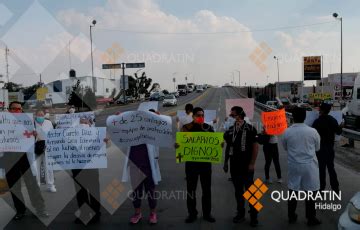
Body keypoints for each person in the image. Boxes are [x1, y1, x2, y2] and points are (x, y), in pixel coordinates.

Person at [3, 101, 49, 220]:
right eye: (14, 109)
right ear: (9, 110)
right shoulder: (2, 123)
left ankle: (41, 209)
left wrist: (35, 135)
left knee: (32, 185)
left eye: (19, 109)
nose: (17, 111)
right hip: (8, 158)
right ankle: (20, 210)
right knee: (14, 187)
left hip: (25, 158)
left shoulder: (28, 122)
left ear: (21, 110)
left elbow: (40, 139)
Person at [282, 106, 321, 226]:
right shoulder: (313, 131)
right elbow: (317, 148)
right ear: (305, 117)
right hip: (310, 167)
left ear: (292, 117)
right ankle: (311, 218)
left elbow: (285, 147)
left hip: (294, 165)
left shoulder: (287, 131)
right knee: (311, 193)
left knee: (293, 191)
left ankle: (291, 216)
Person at [177, 107, 216, 223]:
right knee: (191, 191)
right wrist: (177, 146)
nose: (201, 117)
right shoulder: (186, 128)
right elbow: (180, 143)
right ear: (193, 116)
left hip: (205, 165)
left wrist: (220, 144)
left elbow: (214, 144)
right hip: (191, 165)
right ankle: (192, 214)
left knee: (206, 191)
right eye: (198, 115)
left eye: (202, 115)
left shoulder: (208, 128)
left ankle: (207, 214)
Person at [122, 109, 161, 225]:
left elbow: (161, 129)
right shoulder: (131, 131)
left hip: (148, 166)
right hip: (134, 166)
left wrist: (157, 118)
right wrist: (118, 119)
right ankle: (137, 213)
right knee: (136, 192)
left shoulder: (151, 132)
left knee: (150, 192)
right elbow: (118, 130)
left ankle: (153, 213)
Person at [223, 106, 259, 226]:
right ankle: (240, 214)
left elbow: (255, 147)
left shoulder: (250, 129)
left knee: (252, 192)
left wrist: (252, 163)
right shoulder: (229, 130)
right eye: (231, 115)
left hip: (247, 166)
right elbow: (228, 146)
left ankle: (254, 216)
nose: (231, 117)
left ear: (240, 115)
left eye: (233, 115)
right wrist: (225, 162)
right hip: (234, 166)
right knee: (238, 191)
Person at [72, 116, 106, 224]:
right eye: (81, 121)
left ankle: (96, 213)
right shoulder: (71, 135)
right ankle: (84, 213)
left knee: (94, 191)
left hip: (91, 167)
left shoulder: (97, 133)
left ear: (90, 123)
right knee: (80, 192)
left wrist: (106, 141)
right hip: (77, 167)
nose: (83, 123)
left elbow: (105, 147)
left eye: (85, 122)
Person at [312, 103, 342, 193]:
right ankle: (335, 188)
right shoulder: (333, 120)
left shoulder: (317, 121)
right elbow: (339, 132)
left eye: (320, 109)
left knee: (321, 169)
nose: (318, 110)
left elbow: (313, 134)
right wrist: (341, 127)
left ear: (322, 110)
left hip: (320, 149)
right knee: (331, 168)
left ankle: (321, 189)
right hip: (330, 148)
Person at [34, 109, 56, 192]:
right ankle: (37, 185)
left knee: (49, 167)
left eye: (41, 115)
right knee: (36, 168)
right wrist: (35, 136)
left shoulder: (48, 123)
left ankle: (51, 185)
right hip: (36, 148)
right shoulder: (32, 123)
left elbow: (53, 134)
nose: (40, 116)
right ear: (35, 115)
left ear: (44, 115)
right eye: (38, 115)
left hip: (47, 148)